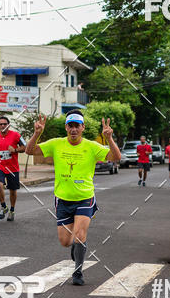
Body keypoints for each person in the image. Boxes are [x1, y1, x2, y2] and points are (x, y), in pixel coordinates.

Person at [24, 110, 121, 285]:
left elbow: (116, 157)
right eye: (71, 126)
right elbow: (30, 150)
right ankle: (76, 248)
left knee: (80, 235)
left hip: (85, 197)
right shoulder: (56, 144)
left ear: (83, 127)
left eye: (77, 126)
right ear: (66, 127)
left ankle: (78, 272)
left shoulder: (91, 146)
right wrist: (37, 133)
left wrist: (109, 139)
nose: (74, 129)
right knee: (66, 241)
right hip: (62, 199)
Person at [0, 115, 25, 221]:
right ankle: (4, 207)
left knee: (12, 190)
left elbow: (25, 147)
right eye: (1, 124)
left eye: (5, 124)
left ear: (8, 125)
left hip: (12, 167)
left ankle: (12, 210)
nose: (3, 125)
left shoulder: (16, 135)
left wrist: (15, 150)